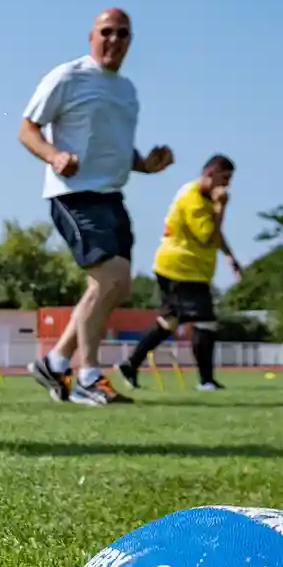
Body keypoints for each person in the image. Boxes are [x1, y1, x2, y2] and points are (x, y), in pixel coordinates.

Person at [17, 8, 174, 407]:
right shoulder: (67, 77)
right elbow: (26, 129)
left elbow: (117, 147)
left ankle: (55, 362)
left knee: (108, 287)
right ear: (91, 36)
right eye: (107, 32)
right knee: (112, 278)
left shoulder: (127, 91)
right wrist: (53, 156)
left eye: (123, 34)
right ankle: (88, 375)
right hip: (74, 193)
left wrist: (145, 164)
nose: (114, 40)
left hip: (112, 196)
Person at [119, 154, 241, 393]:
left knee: (169, 322)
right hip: (182, 270)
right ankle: (206, 380)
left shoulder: (204, 198)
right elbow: (207, 236)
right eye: (224, 178)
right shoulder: (193, 199)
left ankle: (130, 364)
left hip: (181, 268)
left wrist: (228, 255)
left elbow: (215, 232)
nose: (226, 185)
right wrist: (221, 207)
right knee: (206, 323)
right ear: (210, 173)